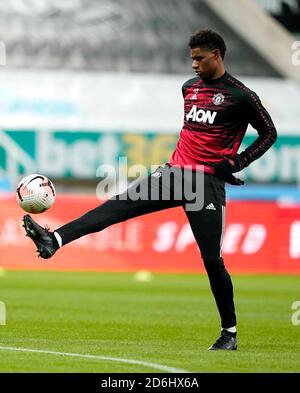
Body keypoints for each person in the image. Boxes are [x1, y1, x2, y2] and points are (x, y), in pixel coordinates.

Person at [22, 29, 277, 350]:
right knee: (115, 207)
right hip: (172, 174)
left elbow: (269, 133)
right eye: (192, 59)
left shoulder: (241, 95)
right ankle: (54, 240)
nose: (194, 65)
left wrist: (238, 162)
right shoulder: (189, 89)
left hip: (205, 184)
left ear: (217, 54)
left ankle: (229, 332)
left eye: (199, 58)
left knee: (212, 260)